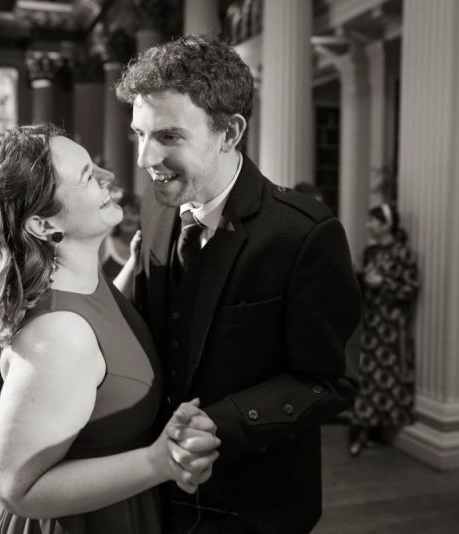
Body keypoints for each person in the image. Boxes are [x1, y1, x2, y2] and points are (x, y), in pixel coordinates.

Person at [115, 35, 362, 533]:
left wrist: (224, 423)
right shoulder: (157, 211)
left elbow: (330, 379)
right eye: (139, 134)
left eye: (168, 136)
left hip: (255, 507)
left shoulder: (303, 234)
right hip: (154, 495)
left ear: (229, 132)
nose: (145, 158)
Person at [0, 124, 220, 534]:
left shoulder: (85, 282)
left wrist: (131, 270)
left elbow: (104, 340)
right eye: (88, 175)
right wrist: (158, 461)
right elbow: (15, 488)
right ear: (43, 225)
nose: (108, 177)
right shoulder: (58, 337)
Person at [348, 203, 419, 456]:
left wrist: (383, 283)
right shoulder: (370, 252)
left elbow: (410, 288)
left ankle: (371, 427)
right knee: (366, 373)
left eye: (373, 220)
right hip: (370, 321)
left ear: (386, 224)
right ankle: (362, 428)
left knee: (386, 374)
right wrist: (359, 277)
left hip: (391, 325)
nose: (368, 225)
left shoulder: (403, 253)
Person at [100, 192, 141, 280]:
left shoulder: (146, 247)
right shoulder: (104, 244)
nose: (128, 217)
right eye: (124, 213)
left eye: (134, 213)